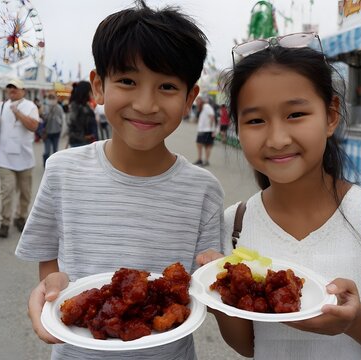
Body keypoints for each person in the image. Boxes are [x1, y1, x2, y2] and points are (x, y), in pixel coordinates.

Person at [196, 36, 361, 359]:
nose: (277, 138)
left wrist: (356, 321)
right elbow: (248, 345)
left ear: (330, 116)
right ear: (237, 128)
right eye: (255, 120)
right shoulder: (235, 224)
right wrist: (217, 289)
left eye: (296, 114)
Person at [15, 1, 223, 359]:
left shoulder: (203, 189)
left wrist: (218, 271)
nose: (145, 104)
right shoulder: (62, 171)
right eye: (127, 81)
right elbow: (48, 258)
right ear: (98, 86)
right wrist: (53, 287)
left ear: (190, 98)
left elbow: (202, 288)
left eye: (167, 87)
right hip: (77, 352)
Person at [0, 78, 40, 238]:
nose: (12, 90)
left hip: (25, 158)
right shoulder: (1, 106)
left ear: (23, 90)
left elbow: (34, 126)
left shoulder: (30, 106)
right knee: (7, 191)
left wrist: (17, 112)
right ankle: (5, 222)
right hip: (5, 158)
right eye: (9, 88)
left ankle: (21, 217)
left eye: (15, 88)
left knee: (25, 193)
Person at [66, 80, 98, 147]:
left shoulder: (84, 105)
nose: (92, 94)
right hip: (81, 143)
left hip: (86, 142)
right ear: (85, 92)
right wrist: (84, 136)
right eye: (90, 91)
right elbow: (72, 125)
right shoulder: (76, 106)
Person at [41, 93, 64, 165]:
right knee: (47, 151)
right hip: (47, 132)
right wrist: (47, 113)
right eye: (50, 98)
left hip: (56, 132)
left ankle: (54, 164)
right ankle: (46, 164)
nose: (51, 100)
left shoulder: (59, 108)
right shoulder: (45, 107)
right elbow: (43, 119)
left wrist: (61, 130)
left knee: (55, 151)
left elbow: (62, 120)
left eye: (53, 98)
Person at [194, 94, 216, 166]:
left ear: (202, 100)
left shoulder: (207, 106)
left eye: (198, 100)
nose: (196, 102)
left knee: (207, 146)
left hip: (207, 130)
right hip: (202, 130)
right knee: (199, 144)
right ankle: (200, 159)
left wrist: (212, 129)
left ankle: (206, 161)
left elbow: (212, 117)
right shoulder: (202, 108)